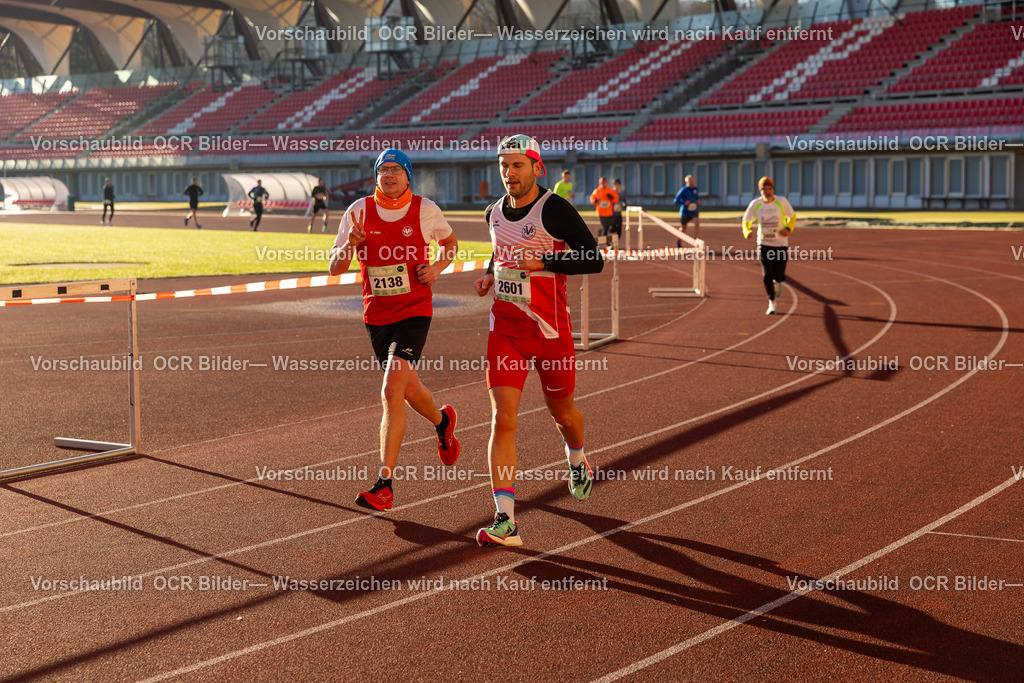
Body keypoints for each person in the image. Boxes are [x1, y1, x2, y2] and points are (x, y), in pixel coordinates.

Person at [473, 134, 604, 548]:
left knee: (563, 413)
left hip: (550, 331)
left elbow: (594, 258)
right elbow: (500, 253)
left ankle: (578, 458)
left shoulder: (556, 209)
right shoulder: (492, 213)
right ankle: (506, 519)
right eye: (503, 166)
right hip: (506, 329)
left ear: (536, 167)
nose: (509, 174)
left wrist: (545, 260)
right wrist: (492, 276)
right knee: (503, 419)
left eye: (517, 166)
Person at [329, 149, 460, 511]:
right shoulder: (357, 212)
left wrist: (436, 269)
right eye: (382, 170)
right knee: (410, 388)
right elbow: (335, 267)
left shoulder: (426, 210)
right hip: (377, 316)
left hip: (415, 310)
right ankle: (442, 420)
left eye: (396, 170)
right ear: (376, 177)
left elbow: (450, 245)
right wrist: (350, 249)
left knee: (391, 390)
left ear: (408, 177)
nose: (388, 175)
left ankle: (385, 483)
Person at [742, 177, 795, 315]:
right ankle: (772, 302)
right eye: (764, 189)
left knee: (779, 275)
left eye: (769, 189)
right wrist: (747, 231)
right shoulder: (756, 204)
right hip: (764, 244)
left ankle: (777, 281)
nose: (767, 192)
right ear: (760, 191)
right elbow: (746, 220)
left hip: (781, 244)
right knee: (767, 275)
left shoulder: (781, 202)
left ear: (773, 189)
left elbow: (792, 217)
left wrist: (788, 229)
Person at [674, 175, 700, 246]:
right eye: (690, 181)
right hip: (685, 212)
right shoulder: (683, 190)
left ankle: (695, 242)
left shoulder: (695, 189)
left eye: (693, 181)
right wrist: (684, 202)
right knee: (683, 228)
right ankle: (678, 240)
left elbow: (696, 197)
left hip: (694, 210)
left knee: (697, 223)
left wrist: (697, 201)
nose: (692, 183)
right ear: (686, 182)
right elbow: (676, 200)